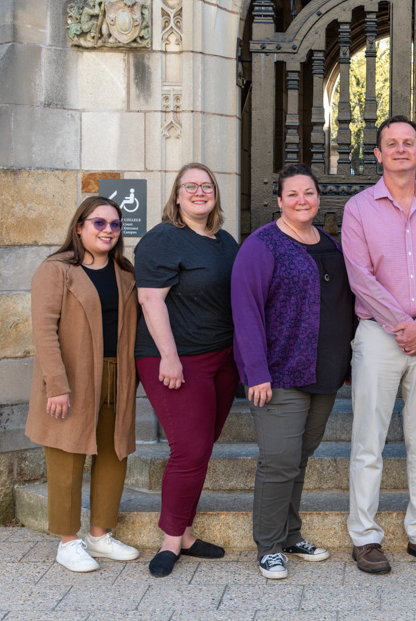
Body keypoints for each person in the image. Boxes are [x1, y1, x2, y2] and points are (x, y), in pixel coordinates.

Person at [342, 115, 416, 574]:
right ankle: (366, 536)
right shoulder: (358, 208)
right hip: (379, 335)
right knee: (368, 442)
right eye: (390, 143)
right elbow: (360, 276)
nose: (400, 150)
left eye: (408, 143)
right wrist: (402, 325)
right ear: (377, 154)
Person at [232, 164, 355, 580]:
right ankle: (268, 546)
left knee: (299, 458)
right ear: (280, 200)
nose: (303, 200)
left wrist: (349, 364)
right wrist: (256, 372)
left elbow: (345, 307)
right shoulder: (261, 245)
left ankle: (290, 534)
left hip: (325, 372)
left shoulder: (331, 244)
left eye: (309, 193)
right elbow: (246, 312)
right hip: (279, 373)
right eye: (293, 194)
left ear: (318, 198)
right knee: (279, 460)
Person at [134, 163, 240, 578]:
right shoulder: (163, 239)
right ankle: (171, 540)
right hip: (175, 358)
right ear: (176, 196)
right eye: (189, 186)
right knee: (189, 450)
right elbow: (150, 300)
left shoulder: (224, 242)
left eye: (206, 185)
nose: (199, 192)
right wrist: (170, 357)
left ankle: (186, 533)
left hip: (220, 359)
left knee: (202, 447)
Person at [26, 196, 141, 572]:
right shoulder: (57, 270)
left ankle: (99, 535)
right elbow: (44, 331)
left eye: (115, 224)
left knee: (113, 453)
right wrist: (56, 384)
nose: (108, 230)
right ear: (79, 227)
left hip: (116, 375)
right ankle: (68, 541)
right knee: (66, 456)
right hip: (72, 378)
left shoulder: (125, 272)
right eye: (99, 223)